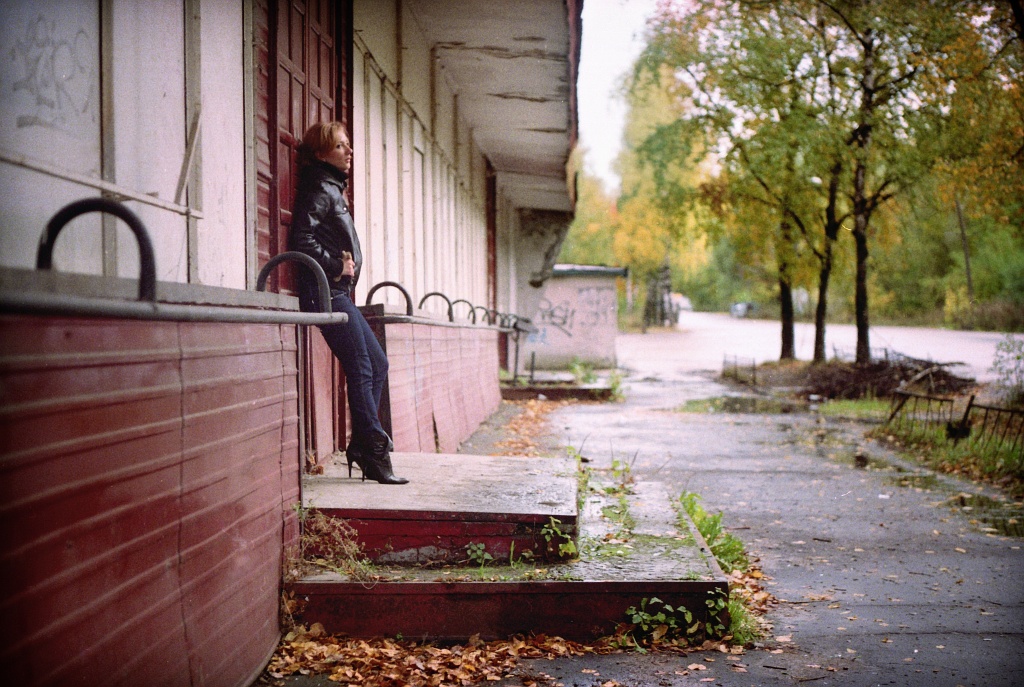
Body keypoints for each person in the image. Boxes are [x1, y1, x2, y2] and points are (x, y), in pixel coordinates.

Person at [289, 121, 408, 485]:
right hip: (324, 293)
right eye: (341, 146)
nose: (349, 151)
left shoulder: (331, 188)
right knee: (362, 366)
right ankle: (374, 451)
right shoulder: (320, 187)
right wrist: (335, 263)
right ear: (322, 153)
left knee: (377, 363)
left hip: (339, 293)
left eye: (348, 145)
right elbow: (300, 239)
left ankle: (361, 444)